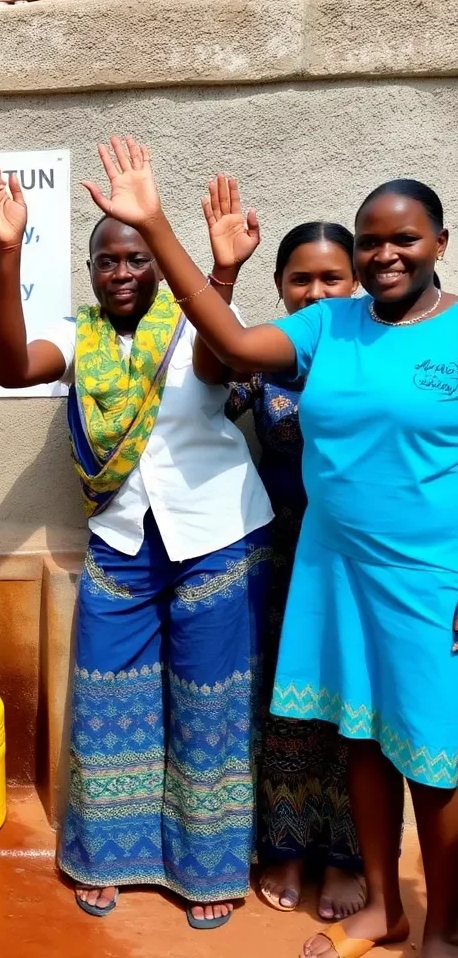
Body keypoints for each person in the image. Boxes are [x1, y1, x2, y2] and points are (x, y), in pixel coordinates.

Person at [80, 134, 458, 958]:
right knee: (356, 739)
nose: (386, 254)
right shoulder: (331, 325)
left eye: (404, 239)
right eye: (373, 240)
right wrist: (161, 228)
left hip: (431, 577)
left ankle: (446, 930)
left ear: (439, 242)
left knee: (433, 756)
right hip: (333, 565)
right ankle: (386, 907)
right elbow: (234, 344)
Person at [0, 144, 273, 929]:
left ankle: (205, 867)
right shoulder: (83, 336)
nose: (124, 272)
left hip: (216, 538)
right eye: (109, 260)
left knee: (208, 704)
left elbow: (217, 365)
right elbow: (11, 366)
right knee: (108, 696)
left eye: (138, 256)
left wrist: (221, 275)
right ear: (93, 270)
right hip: (122, 545)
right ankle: (110, 857)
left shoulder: (198, 317)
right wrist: (7, 253)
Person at [199, 189, 364, 918]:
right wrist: (220, 270)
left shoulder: (375, 356)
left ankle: (346, 859)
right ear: (281, 286)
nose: (318, 290)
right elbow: (207, 372)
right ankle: (287, 847)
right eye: (303, 279)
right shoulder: (262, 359)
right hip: (284, 560)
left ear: (355, 282)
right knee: (288, 710)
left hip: (363, 559)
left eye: (333, 278)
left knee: (357, 709)